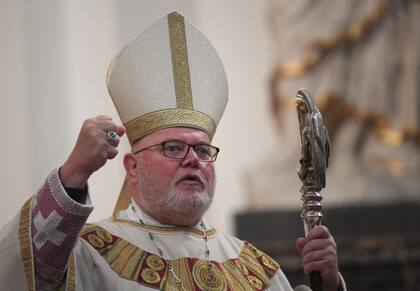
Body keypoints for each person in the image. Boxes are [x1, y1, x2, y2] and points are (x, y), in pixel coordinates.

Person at [0, 12, 345, 291]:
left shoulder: (255, 269)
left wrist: (329, 286)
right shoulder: (89, 252)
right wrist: (74, 172)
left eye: (202, 149)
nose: (193, 158)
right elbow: (27, 272)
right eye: (173, 147)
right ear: (132, 167)